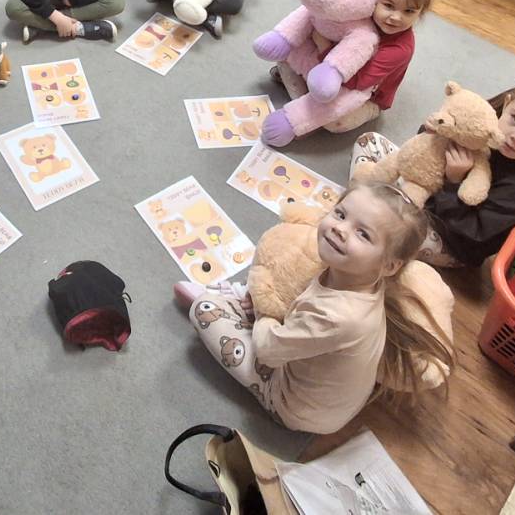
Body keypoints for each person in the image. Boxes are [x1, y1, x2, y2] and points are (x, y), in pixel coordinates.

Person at [175, 183, 452, 434]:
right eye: (340, 214)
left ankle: (231, 307)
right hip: (333, 394)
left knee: (204, 308)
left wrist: (263, 309)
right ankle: (248, 309)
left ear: (389, 265)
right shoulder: (362, 277)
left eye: (363, 234)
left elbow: (268, 351)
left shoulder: (340, 316)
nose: (340, 229)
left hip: (295, 408)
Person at [351, 75, 515, 267]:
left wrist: (453, 181)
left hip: (449, 240)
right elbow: (430, 143)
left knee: (389, 232)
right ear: (508, 103)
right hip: (426, 189)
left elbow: (473, 232)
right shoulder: (484, 122)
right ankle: (370, 206)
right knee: (369, 142)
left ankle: (365, 213)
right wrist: (433, 131)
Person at [266, 0, 437, 143]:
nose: (395, 17)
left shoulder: (401, 48)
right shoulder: (363, 11)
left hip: (366, 94)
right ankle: (311, 96)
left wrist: (323, 47)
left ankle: (307, 111)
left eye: (409, 11)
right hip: (332, 69)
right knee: (287, 51)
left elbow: (358, 82)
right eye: (389, 5)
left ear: (421, 12)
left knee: (335, 123)